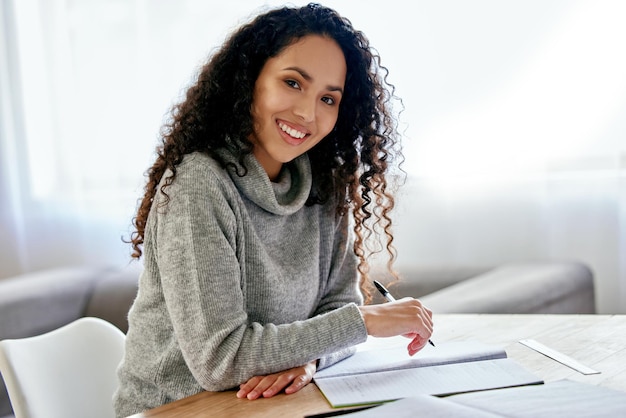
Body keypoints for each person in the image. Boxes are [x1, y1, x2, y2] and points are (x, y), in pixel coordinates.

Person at [113, 3, 433, 416]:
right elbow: (221, 359)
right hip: (178, 409)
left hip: (277, 407)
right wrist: (366, 322)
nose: (307, 113)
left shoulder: (326, 187)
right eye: (292, 83)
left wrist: (309, 360)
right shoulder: (200, 184)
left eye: (328, 98)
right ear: (250, 80)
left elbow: (337, 312)